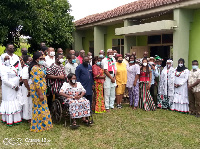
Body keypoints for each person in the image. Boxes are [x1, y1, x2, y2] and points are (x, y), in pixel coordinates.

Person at [29, 51, 53, 132]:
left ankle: (44, 125)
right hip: (37, 91)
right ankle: (37, 126)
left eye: (43, 58)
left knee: (43, 107)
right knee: (39, 107)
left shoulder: (40, 67)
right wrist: (40, 94)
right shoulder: (35, 68)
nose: (43, 60)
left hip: (42, 89)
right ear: (36, 59)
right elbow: (36, 82)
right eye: (41, 58)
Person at [0, 54, 22, 126]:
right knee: (9, 102)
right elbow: (5, 80)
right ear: (3, 60)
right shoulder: (2, 68)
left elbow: (17, 74)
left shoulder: (12, 66)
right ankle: (9, 120)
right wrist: (13, 86)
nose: (7, 60)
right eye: (6, 59)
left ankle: (16, 119)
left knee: (14, 101)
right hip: (8, 88)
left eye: (8, 58)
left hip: (15, 87)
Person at [21, 55, 32, 122]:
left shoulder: (30, 67)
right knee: (27, 102)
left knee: (30, 102)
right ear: (25, 61)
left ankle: (30, 116)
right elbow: (25, 80)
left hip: (30, 87)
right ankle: (27, 117)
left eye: (31, 60)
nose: (30, 61)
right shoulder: (25, 68)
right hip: (26, 87)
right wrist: (29, 89)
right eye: (29, 60)